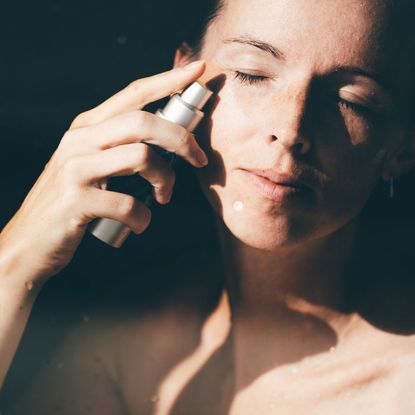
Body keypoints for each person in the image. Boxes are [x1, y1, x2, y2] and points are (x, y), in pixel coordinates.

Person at [1, 0, 415, 413]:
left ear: (402, 148)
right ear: (180, 84)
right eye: (252, 74)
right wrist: (16, 259)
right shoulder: (133, 344)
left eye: (351, 100)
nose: (290, 129)